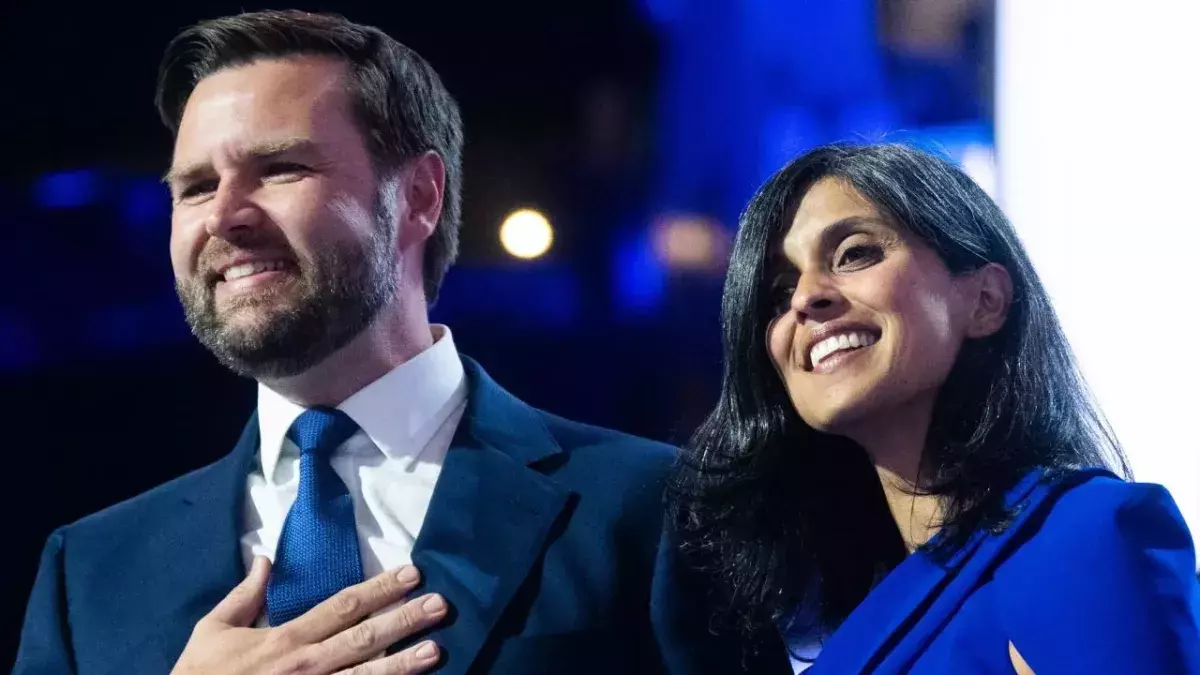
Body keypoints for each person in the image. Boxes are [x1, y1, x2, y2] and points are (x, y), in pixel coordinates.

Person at [14, 10, 770, 675]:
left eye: (278, 168)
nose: (225, 216)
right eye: (196, 188)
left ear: (418, 197)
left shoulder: (652, 507)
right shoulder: (87, 573)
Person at [669, 142, 1200, 672]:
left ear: (986, 300)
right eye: (779, 295)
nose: (807, 298)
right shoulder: (840, 629)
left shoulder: (1084, 538)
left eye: (854, 254)